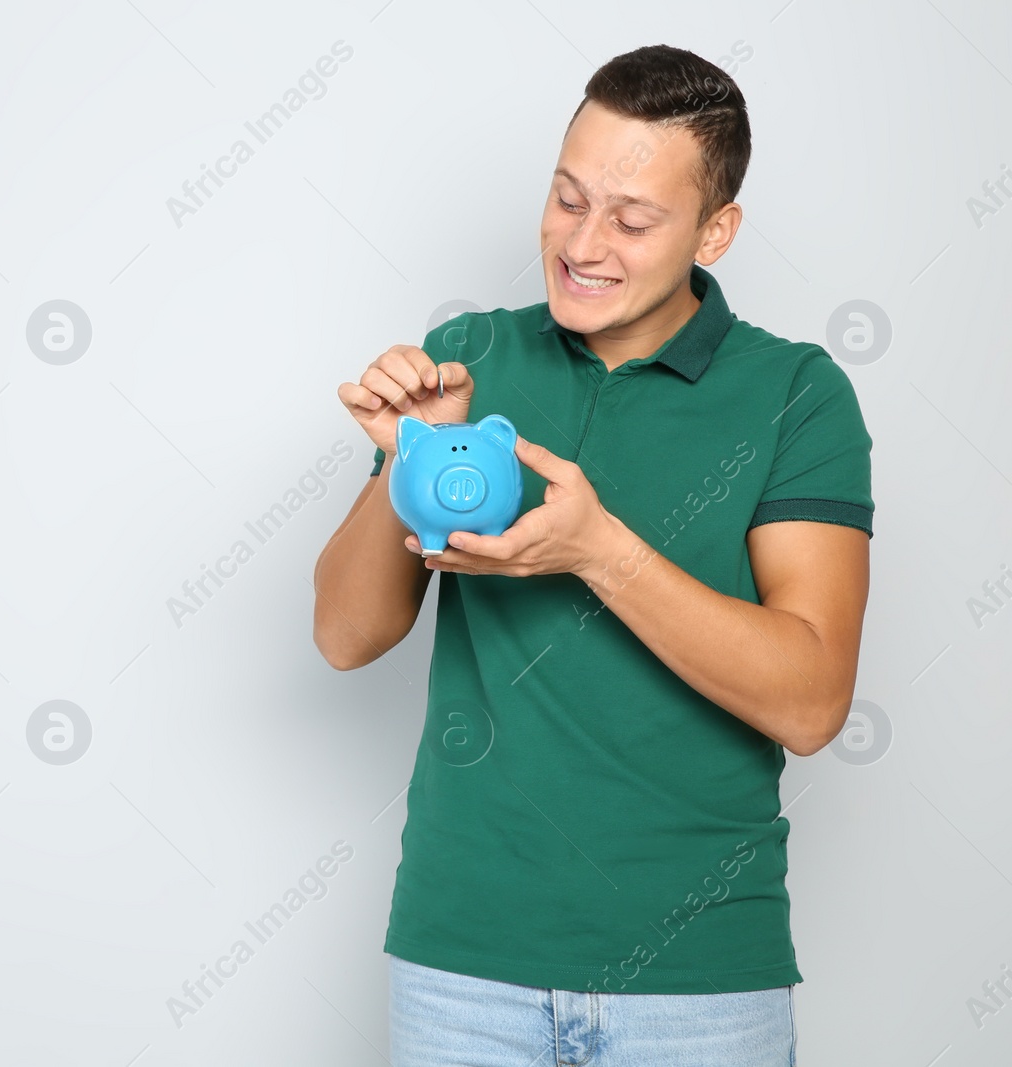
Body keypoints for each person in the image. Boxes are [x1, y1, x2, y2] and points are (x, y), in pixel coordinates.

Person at [312, 43, 874, 1066]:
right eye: (567, 198)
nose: (582, 242)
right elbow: (346, 634)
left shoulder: (796, 392)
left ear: (715, 230)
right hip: (461, 968)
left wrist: (598, 550)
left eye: (631, 217)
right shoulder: (473, 358)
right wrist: (405, 458)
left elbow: (810, 700)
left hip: (699, 982)